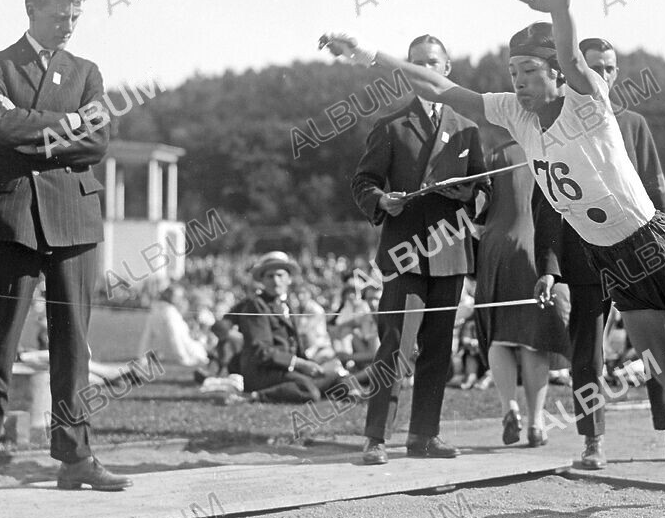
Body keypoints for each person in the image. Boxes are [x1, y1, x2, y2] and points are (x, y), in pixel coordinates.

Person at [321, 0, 665, 420]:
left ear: (557, 72)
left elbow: (574, 57)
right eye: (513, 72)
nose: (518, 82)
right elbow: (436, 87)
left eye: (529, 72)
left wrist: (559, 9)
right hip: (614, 263)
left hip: (657, 247)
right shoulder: (514, 114)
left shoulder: (587, 103)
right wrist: (368, 54)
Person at [0, 0, 129, 504]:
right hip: (14, 217)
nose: (68, 26)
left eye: (75, 16)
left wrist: (35, 126)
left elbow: (98, 144)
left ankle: (76, 456)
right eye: (58, 16)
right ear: (32, 12)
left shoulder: (88, 70)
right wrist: (67, 124)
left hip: (74, 216)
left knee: (74, 346)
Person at [533, 34, 665, 468]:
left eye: (608, 68)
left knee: (660, 346)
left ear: (616, 74)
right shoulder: (553, 124)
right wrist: (547, 265)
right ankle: (592, 441)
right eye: (592, 66)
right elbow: (545, 199)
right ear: (571, 69)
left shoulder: (634, 124)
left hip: (641, 256)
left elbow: (657, 191)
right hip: (584, 256)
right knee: (588, 354)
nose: (601, 75)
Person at [349, 34, 489, 465]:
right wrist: (381, 201)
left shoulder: (467, 128)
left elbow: (485, 189)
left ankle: (425, 435)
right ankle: (377, 437)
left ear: (447, 70)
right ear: (405, 70)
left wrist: (468, 196)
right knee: (395, 346)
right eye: (415, 63)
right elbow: (363, 183)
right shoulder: (391, 125)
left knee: (439, 348)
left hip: (449, 254)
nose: (424, 70)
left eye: (432, 63)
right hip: (404, 251)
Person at [476, 127, 569, 448]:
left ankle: (508, 407)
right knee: (534, 341)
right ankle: (537, 423)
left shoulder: (498, 154)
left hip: (496, 247)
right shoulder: (553, 150)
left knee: (499, 334)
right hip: (536, 247)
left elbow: (479, 207)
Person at [226, 252, 347, 404]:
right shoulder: (256, 305)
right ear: (262, 280)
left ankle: (355, 395)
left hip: (287, 369)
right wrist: (301, 364)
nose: (275, 281)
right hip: (264, 372)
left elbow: (295, 345)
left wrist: (311, 364)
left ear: (289, 279)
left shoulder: (286, 304)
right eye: (270, 276)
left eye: (280, 275)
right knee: (309, 391)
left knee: (335, 375)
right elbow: (261, 351)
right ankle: (255, 397)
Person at [137, 284, 211, 367]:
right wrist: (184, 359)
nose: (181, 299)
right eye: (179, 297)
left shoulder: (156, 310)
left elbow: (146, 336)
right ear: (172, 297)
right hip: (186, 351)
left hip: (166, 351)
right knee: (204, 342)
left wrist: (141, 356)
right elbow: (175, 338)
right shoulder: (171, 313)